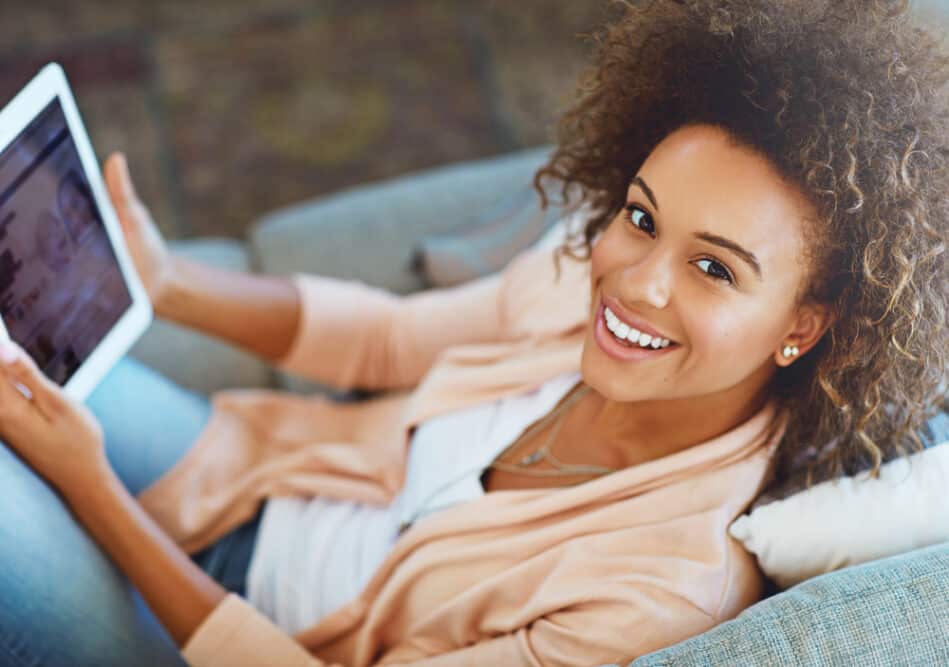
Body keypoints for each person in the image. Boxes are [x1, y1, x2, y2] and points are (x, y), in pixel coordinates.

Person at [0, 0, 946, 665]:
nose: (633, 281)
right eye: (643, 216)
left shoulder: (657, 593)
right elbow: (386, 342)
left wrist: (89, 486)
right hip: (247, 476)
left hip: (214, 633)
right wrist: (168, 283)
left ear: (807, 325)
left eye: (714, 268)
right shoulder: (591, 268)